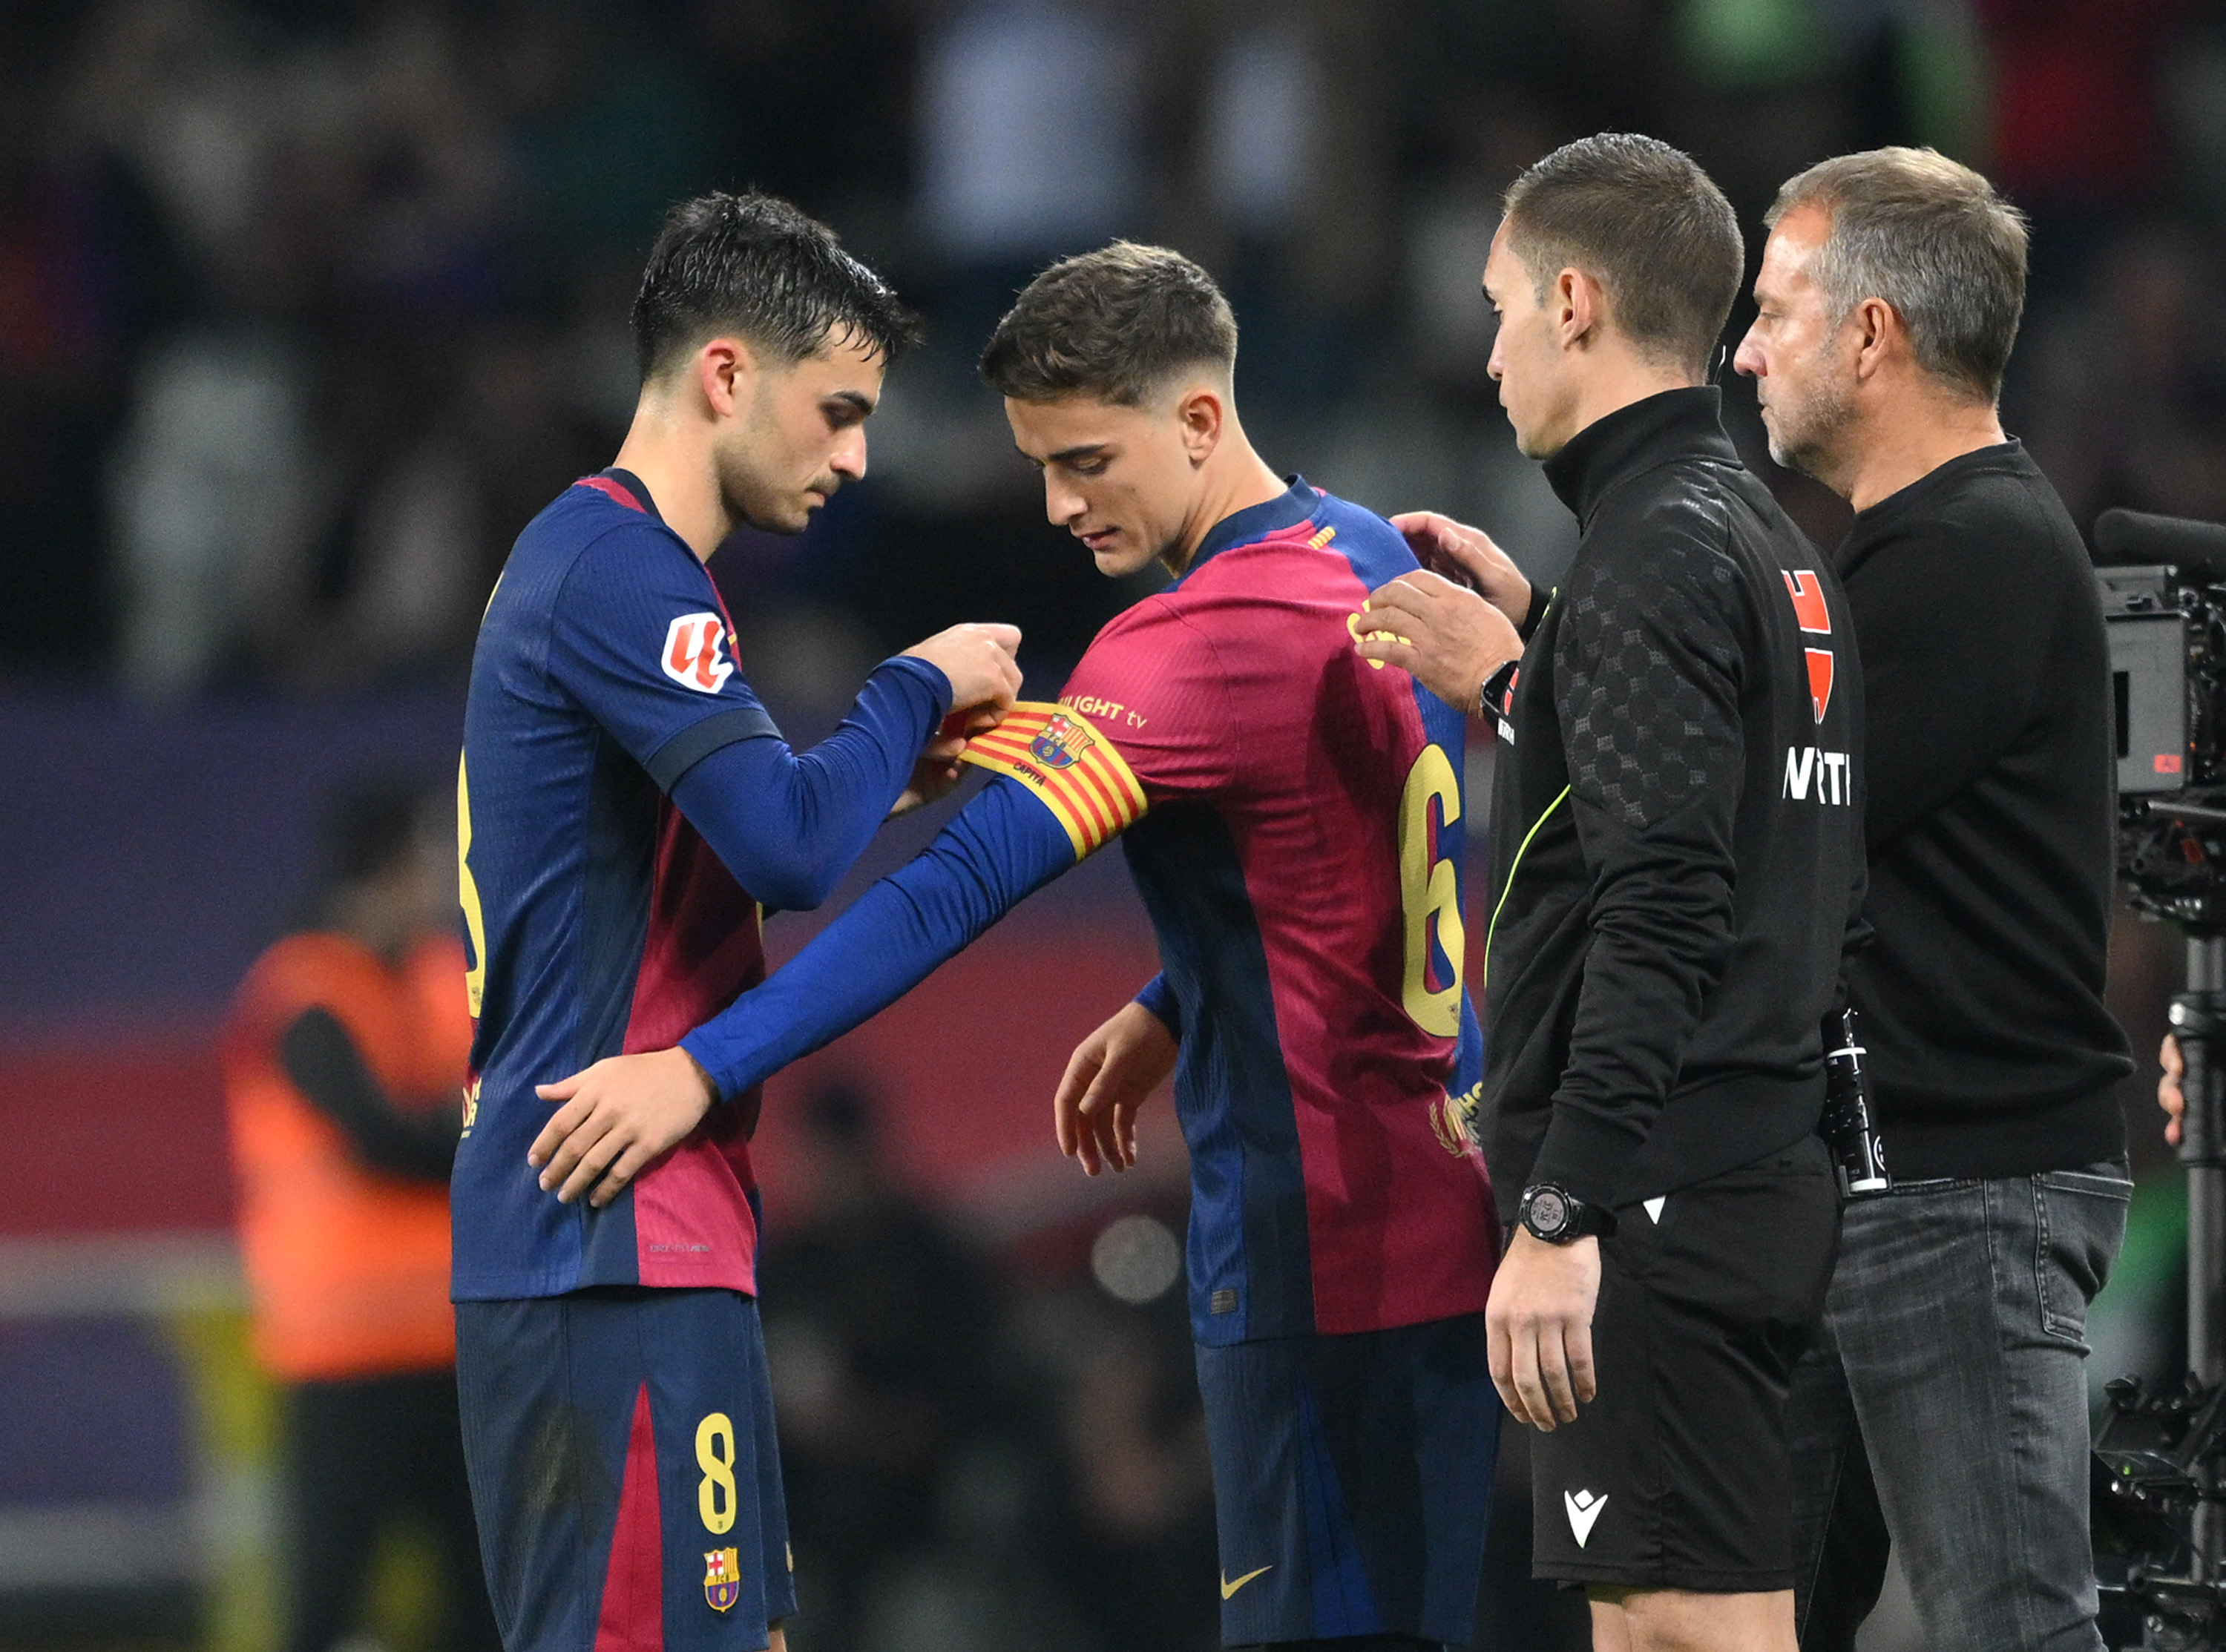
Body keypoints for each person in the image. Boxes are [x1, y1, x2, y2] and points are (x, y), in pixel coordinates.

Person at [528, 240, 1503, 1652]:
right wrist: (1182, 995)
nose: (1058, 505)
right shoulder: (1358, 548)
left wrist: (700, 1064)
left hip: (1321, 1250)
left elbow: (954, 889)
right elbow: (1346, 856)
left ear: (1199, 422)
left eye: (1088, 459)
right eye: (1041, 464)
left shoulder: (1185, 646)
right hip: (1441, 1208)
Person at [447, 191, 1024, 1652]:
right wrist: (913, 688)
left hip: (645, 1231)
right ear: (723, 375)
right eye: (835, 409)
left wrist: (880, 779)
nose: (857, 456)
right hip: (606, 1232)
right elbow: (786, 848)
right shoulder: (624, 573)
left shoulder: (618, 571)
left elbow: (727, 840)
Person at [1357, 134, 1868, 1652]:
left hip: (1661, 1203)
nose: (1493, 348)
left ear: (1576, 301)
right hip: (1742, 1176)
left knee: (1685, 1633)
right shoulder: (1764, 543)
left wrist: (1566, 1203)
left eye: (1503, 305)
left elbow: (1664, 901)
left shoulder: (1651, 553)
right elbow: (1742, 849)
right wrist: (1542, 653)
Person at [1731, 149, 2133, 1652]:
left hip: (1960, 1194)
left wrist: (1523, 678)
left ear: (1873, 335)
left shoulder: (1967, 552)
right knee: (1743, 1623)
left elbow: (1754, 808)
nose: (1747, 347)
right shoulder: (1924, 549)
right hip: (1886, 1190)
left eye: (1775, 309)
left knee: (2015, 1631)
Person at [222, 783, 499, 1652]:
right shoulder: (304, 993)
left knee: (488, 1599)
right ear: (391, 865)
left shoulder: (433, 978)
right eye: (428, 857)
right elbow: (379, 1134)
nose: (441, 879)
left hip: (456, 1345)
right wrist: (497, 1149)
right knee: (328, 1601)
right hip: (344, 1358)